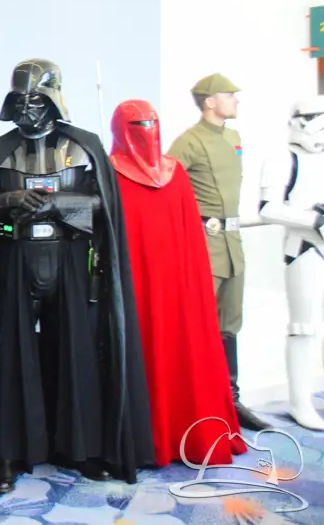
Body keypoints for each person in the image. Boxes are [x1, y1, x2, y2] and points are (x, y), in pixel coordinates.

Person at [0, 58, 154, 493]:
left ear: (53, 100)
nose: (26, 109)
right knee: (12, 357)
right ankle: (8, 454)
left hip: (70, 260)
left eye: (34, 100)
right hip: (15, 261)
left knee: (76, 352)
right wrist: (9, 200)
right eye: (18, 101)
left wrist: (58, 205)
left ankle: (81, 449)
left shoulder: (85, 145)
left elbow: (105, 208)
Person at [109, 100, 245, 466]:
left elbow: (190, 233)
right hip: (135, 283)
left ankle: (193, 432)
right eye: (137, 125)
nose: (147, 132)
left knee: (185, 352)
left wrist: (193, 285)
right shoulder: (110, 174)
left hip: (177, 282)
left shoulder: (175, 171)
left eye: (151, 123)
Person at [167, 73, 269, 432]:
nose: (236, 100)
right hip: (204, 245)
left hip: (232, 243)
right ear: (210, 101)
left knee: (229, 324)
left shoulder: (233, 138)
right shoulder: (188, 142)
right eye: (229, 95)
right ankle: (195, 403)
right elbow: (165, 187)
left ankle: (231, 400)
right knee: (198, 325)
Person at [259, 95, 324, 430]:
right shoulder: (283, 158)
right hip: (304, 248)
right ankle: (300, 402)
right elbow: (268, 208)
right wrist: (312, 218)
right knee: (303, 327)